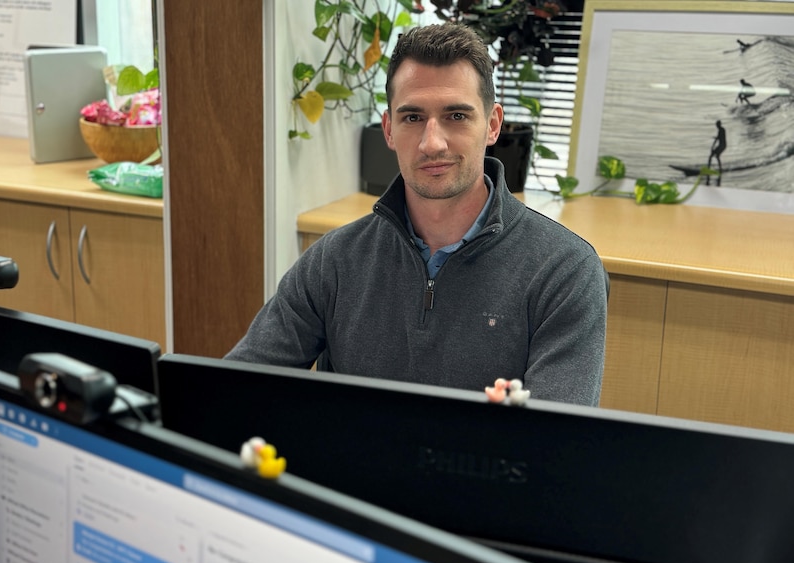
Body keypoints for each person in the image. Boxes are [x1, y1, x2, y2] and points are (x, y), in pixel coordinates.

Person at [226, 23, 608, 406]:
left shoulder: (565, 271)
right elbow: (232, 392)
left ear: (492, 125)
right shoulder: (335, 261)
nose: (432, 143)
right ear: (389, 129)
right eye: (412, 118)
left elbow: (559, 447)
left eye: (456, 116)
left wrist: (503, 435)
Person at [706, 120, 725, 185]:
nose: (716, 126)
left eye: (717, 125)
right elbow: (718, 138)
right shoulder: (720, 130)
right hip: (721, 145)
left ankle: (719, 169)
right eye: (716, 125)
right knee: (712, 156)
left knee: (715, 156)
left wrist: (713, 146)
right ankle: (711, 168)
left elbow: (719, 138)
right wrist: (715, 141)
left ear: (719, 125)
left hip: (722, 145)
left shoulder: (722, 130)